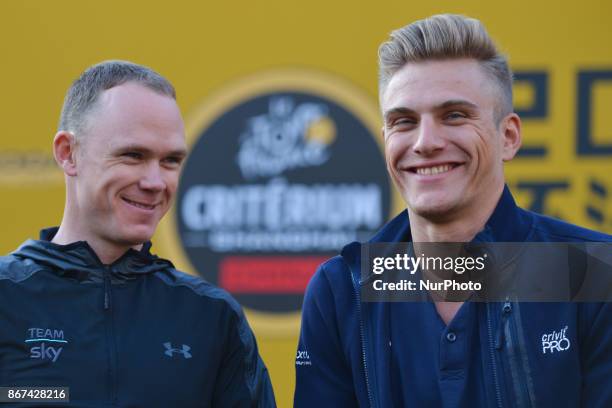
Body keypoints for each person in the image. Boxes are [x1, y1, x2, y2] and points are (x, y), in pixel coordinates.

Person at [294, 14, 612, 407]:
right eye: (404, 122)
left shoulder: (595, 273)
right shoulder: (342, 289)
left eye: (454, 115)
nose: (425, 142)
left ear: (508, 137)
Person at [0, 60, 276, 407]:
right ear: (68, 154)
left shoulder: (212, 316)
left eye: (170, 161)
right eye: (133, 155)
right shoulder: (7, 297)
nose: (154, 182)